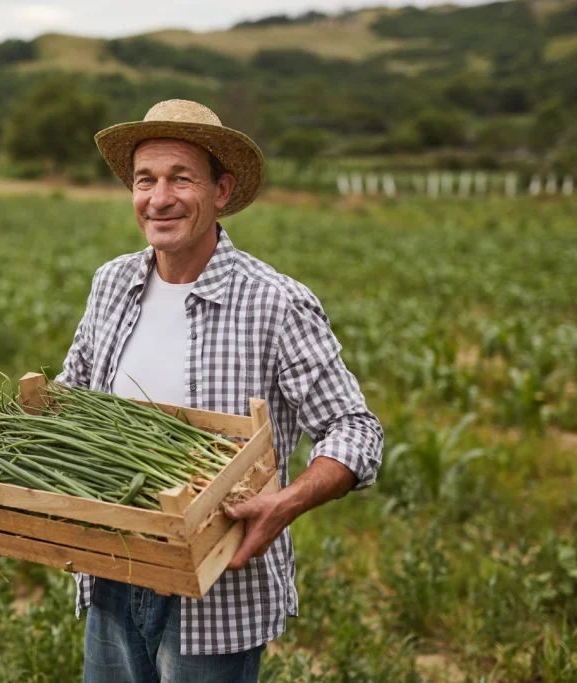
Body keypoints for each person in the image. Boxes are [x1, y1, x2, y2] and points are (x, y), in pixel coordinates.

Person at [54, 100, 384, 683]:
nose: (160, 198)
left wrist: (284, 504)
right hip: (112, 567)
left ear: (222, 191)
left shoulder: (276, 302)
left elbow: (355, 429)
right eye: (145, 180)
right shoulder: (112, 284)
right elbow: (73, 390)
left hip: (217, 587)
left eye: (182, 178)